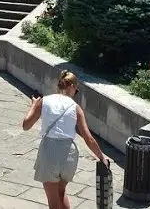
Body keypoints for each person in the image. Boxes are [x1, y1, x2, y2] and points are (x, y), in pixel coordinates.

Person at [23, 70, 110, 209]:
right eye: (77, 91)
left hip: (49, 152)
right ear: (72, 87)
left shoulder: (44, 101)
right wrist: (101, 157)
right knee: (61, 192)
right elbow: (88, 138)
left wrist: (33, 105)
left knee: (53, 201)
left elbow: (26, 125)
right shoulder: (75, 108)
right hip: (69, 154)